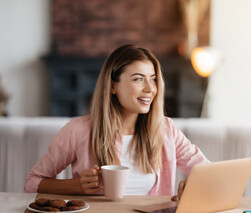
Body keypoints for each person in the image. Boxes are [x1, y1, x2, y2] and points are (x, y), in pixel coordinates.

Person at [24, 44, 210, 200]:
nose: (149, 89)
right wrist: (77, 186)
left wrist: (193, 186)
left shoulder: (166, 130)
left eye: (153, 80)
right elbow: (32, 182)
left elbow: (209, 173)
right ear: (113, 85)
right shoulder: (78, 131)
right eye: (138, 79)